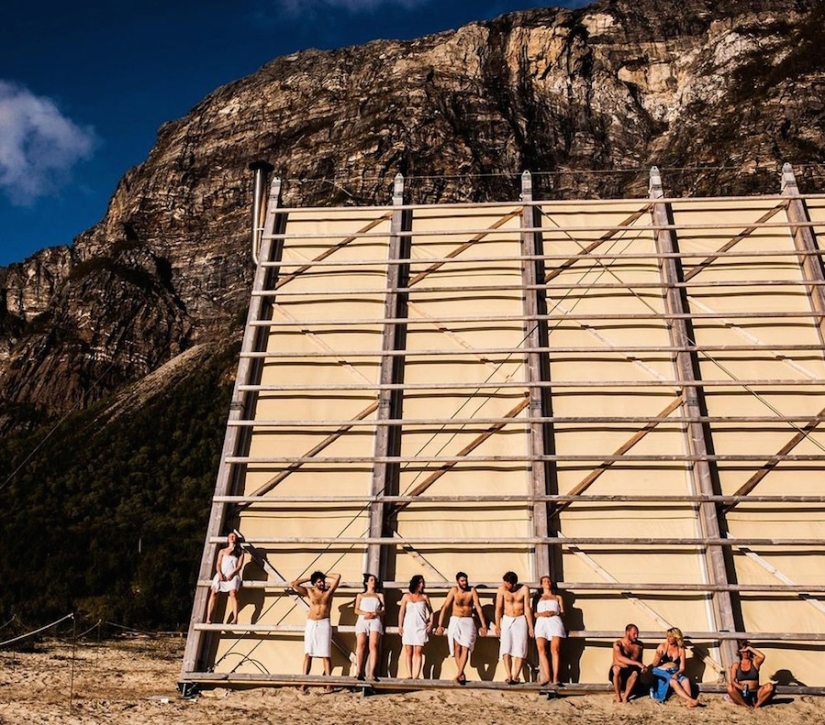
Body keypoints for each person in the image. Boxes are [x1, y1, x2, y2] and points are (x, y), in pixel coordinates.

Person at [290, 570, 341, 688]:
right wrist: (310, 578)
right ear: (314, 583)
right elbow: (294, 584)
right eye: (319, 582)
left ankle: (329, 683)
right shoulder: (310, 592)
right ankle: (304, 683)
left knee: (325, 654)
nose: (322, 583)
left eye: (322, 581)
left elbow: (338, 577)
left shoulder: (328, 592)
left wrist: (324, 575)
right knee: (308, 653)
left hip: (324, 623)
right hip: (312, 623)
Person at [436, 571, 489, 683]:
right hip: (456, 620)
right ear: (458, 581)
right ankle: (461, 673)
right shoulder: (454, 591)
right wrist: (440, 625)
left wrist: (484, 626)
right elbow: (445, 607)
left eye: (466, 580)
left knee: (466, 647)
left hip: (468, 620)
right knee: (457, 648)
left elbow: (478, 607)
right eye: (462, 581)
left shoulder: (472, 591)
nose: (465, 583)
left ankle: (459, 673)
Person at [494, 571, 534, 684]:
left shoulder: (524, 589)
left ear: (513, 583)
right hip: (507, 619)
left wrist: (530, 627)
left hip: (520, 619)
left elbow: (527, 608)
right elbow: (498, 608)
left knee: (520, 648)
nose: (506, 586)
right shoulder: (501, 589)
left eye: (508, 584)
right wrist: (498, 625)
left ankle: (516, 675)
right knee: (506, 647)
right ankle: (509, 674)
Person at [649, 627, 700, 707]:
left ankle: (689, 703)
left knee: (686, 680)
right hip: (662, 671)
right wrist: (658, 658)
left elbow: (682, 667)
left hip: (674, 671)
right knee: (673, 681)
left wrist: (677, 673)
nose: (668, 638)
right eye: (667, 636)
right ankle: (691, 700)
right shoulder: (662, 646)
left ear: (676, 637)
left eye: (670, 636)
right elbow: (654, 664)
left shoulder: (681, 649)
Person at [398, 574, 434, 679]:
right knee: (408, 651)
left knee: (418, 651)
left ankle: (416, 675)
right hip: (408, 626)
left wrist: (431, 623)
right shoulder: (406, 596)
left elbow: (431, 612)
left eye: (422, 582)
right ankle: (409, 675)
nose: (421, 585)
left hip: (420, 626)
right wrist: (400, 625)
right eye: (419, 582)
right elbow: (401, 612)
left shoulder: (424, 597)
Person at [206, 531, 244, 624]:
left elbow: (239, 566)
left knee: (233, 594)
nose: (232, 537)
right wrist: (219, 573)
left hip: (233, 575)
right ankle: (208, 617)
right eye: (230, 536)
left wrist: (232, 574)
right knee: (214, 592)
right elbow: (218, 564)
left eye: (234, 536)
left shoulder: (240, 552)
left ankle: (235, 618)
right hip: (221, 573)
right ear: (227, 538)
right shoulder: (222, 551)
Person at [533, 575, 565, 686]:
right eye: (545, 581)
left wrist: (554, 613)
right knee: (541, 648)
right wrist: (543, 614)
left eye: (549, 581)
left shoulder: (558, 597)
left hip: (554, 621)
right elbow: (534, 613)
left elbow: (563, 612)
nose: (547, 583)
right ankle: (547, 675)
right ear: (541, 584)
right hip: (541, 622)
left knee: (555, 649)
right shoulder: (537, 598)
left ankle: (556, 677)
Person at [726, 641, 776, 708]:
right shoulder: (736, 665)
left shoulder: (755, 663)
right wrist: (740, 687)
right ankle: (744, 705)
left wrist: (749, 648)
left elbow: (762, 656)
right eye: (743, 651)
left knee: (769, 686)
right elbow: (733, 681)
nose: (746, 653)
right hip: (743, 691)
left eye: (747, 651)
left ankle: (757, 705)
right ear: (740, 652)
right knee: (729, 687)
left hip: (756, 691)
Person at [354, 573, 384, 681]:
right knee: (361, 645)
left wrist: (375, 613)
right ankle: (359, 671)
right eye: (371, 580)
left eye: (375, 580)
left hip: (375, 619)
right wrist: (365, 613)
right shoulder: (360, 595)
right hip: (363, 619)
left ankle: (372, 673)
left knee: (373, 645)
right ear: (366, 582)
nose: (373, 582)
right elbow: (356, 609)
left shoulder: (379, 595)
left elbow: (383, 610)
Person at [610, 623, 647, 703]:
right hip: (619, 670)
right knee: (616, 669)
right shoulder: (618, 644)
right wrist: (637, 664)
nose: (636, 636)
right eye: (634, 634)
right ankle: (618, 695)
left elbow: (639, 660)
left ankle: (625, 696)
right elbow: (620, 658)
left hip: (631, 670)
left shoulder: (639, 645)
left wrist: (642, 667)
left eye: (637, 634)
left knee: (635, 673)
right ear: (627, 633)